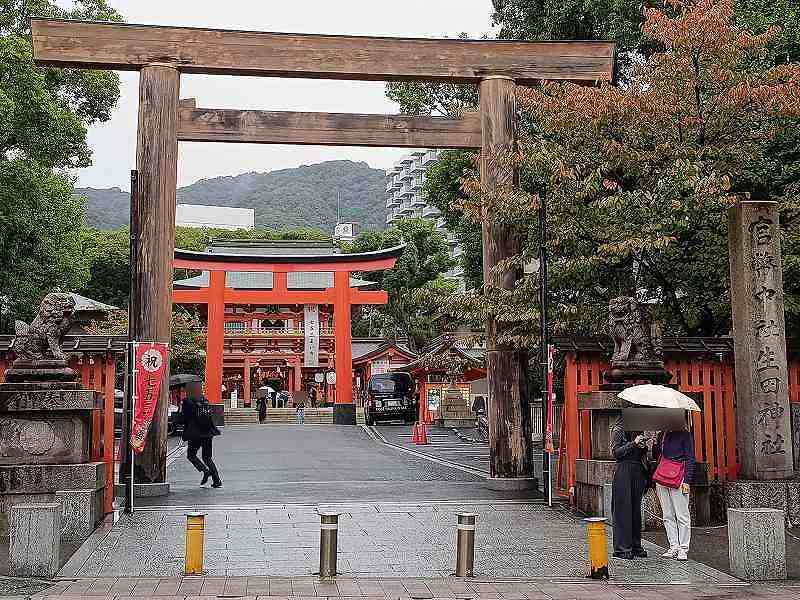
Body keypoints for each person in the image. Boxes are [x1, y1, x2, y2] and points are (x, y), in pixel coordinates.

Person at [653, 424, 696, 561]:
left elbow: (690, 458)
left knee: (682, 514)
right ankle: (674, 546)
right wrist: (655, 443)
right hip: (663, 476)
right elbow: (658, 455)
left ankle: (683, 548)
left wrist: (687, 481)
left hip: (679, 477)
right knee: (667, 514)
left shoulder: (685, 434)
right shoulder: (662, 434)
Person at [610, 416, 649, 559]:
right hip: (623, 470)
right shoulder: (619, 428)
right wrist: (633, 443)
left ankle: (635, 545)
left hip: (637, 470)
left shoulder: (637, 428)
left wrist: (643, 447)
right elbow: (616, 452)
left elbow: (640, 454)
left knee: (635, 511)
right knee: (623, 510)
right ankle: (622, 547)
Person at [181, 381, 222, 488]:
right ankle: (217, 480)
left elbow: (184, 418)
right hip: (208, 432)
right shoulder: (204, 399)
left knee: (191, 455)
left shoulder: (187, 401)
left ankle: (205, 471)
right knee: (207, 457)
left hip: (196, 434)